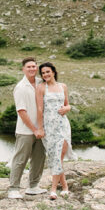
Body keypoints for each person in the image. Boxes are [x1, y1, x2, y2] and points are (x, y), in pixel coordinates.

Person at [7, 57, 47, 199]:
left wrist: (41, 129)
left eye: (34, 66)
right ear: (23, 69)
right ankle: (13, 188)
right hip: (26, 130)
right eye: (28, 67)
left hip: (42, 129)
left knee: (39, 158)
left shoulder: (41, 83)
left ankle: (33, 186)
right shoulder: (20, 87)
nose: (32, 69)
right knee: (20, 159)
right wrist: (34, 129)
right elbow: (21, 112)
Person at [36, 61, 73, 199]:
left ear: (53, 72)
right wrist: (40, 128)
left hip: (63, 125)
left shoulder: (63, 86)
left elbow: (67, 105)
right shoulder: (41, 88)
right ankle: (64, 186)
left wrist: (67, 108)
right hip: (49, 127)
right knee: (55, 158)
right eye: (43, 73)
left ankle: (53, 189)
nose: (45, 74)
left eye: (47, 72)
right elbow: (40, 109)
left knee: (59, 157)